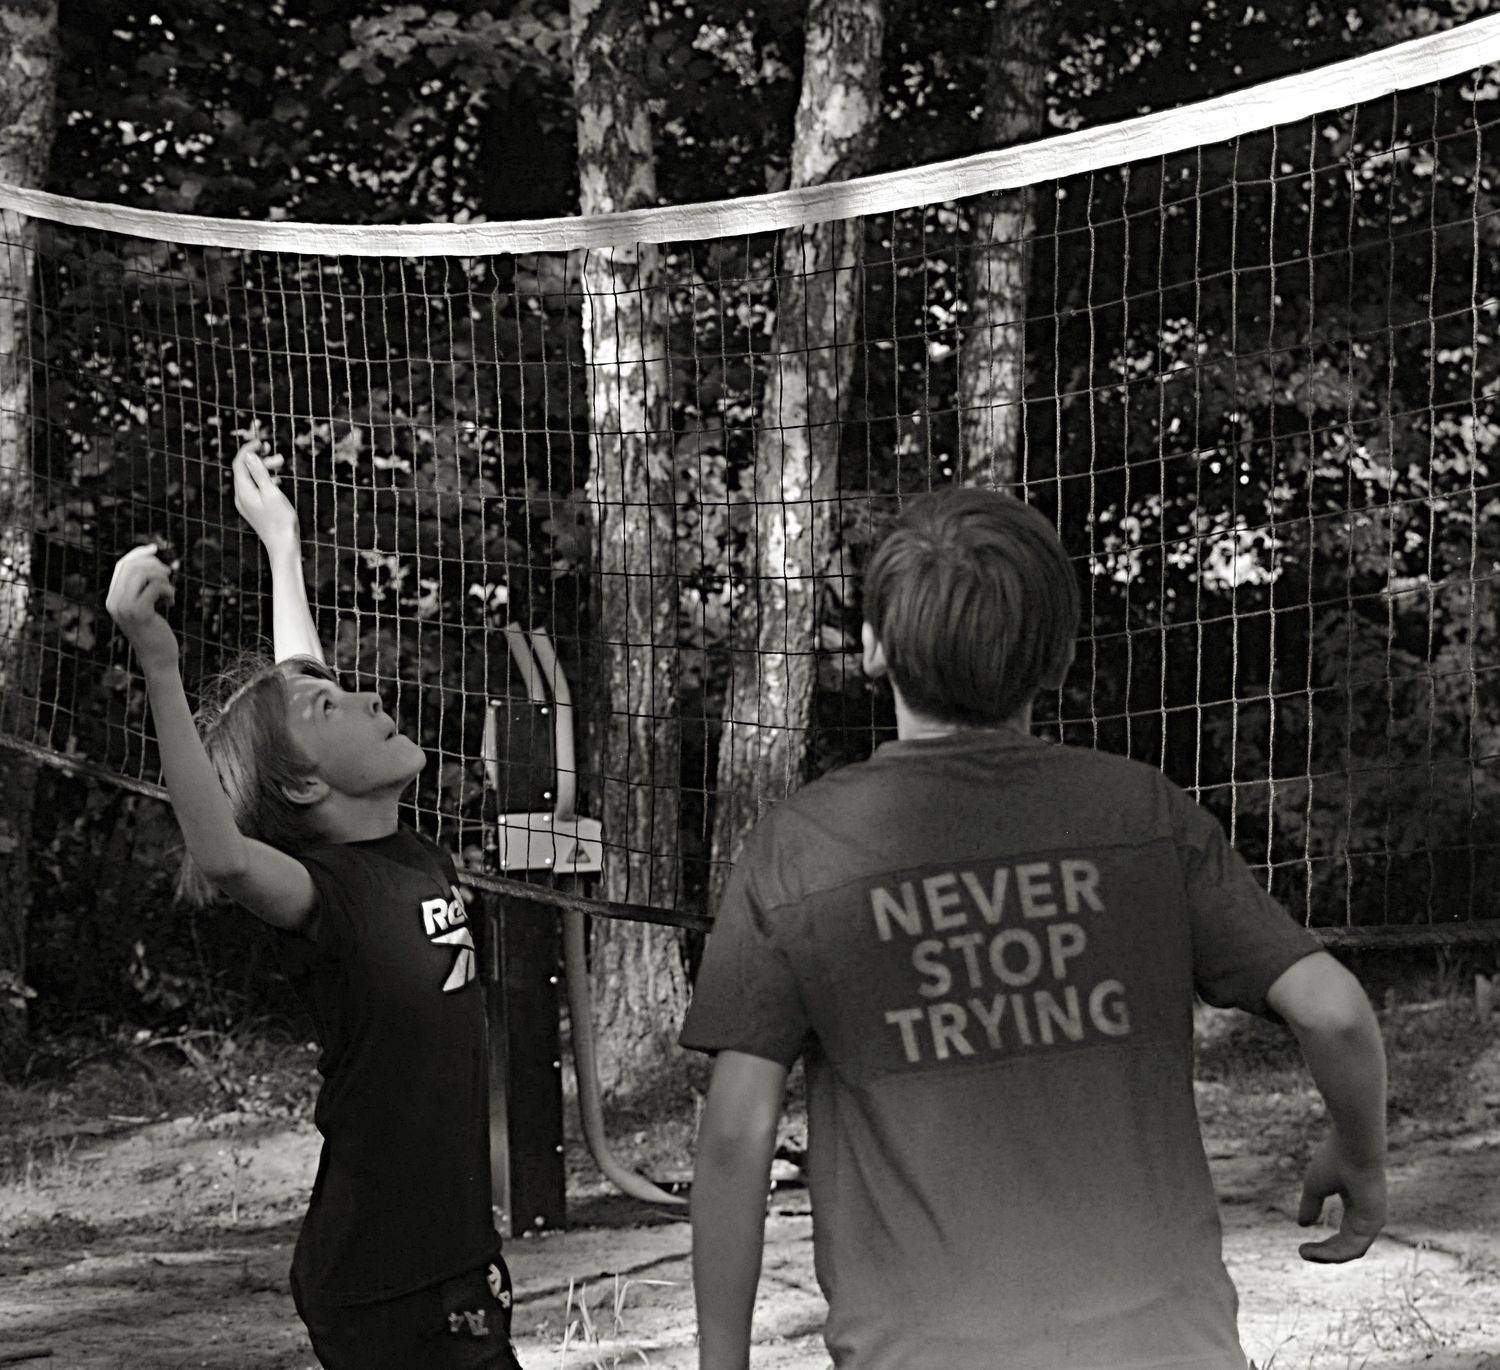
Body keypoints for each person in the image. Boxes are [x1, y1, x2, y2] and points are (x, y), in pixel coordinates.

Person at [681, 486, 1388, 1370]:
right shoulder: (1142, 814)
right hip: (1169, 1347)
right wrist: (1361, 1156)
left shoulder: (797, 851)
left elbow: (736, 1137)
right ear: (1057, 657)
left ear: (872, 646)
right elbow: (1334, 1011)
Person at [105, 442, 522, 1370]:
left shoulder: (404, 849)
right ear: (303, 788)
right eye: (334, 708)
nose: (365, 695)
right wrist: (160, 666)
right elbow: (221, 853)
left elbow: (302, 685)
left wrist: (283, 544)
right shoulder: (329, 894)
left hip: (455, 1263)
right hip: (383, 1283)